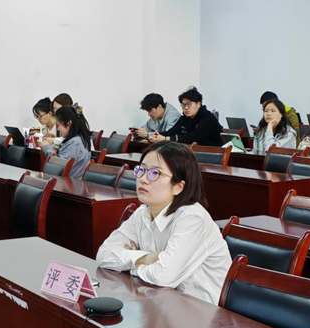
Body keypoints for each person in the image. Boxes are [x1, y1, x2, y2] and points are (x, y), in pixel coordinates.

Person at [96, 141, 231, 304]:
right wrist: (146, 258)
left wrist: (130, 265)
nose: (143, 179)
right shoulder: (142, 213)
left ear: (178, 187)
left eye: (155, 173)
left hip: (204, 311)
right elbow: (103, 255)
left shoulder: (193, 219)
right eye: (141, 170)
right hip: (162, 303)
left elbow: (163, 276)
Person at [151, 86, 223, 146]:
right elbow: (171, 132)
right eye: (183, 105)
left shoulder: (208, 118)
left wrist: (165, 139)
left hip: (214, 153)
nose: (185, 108)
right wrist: (156, 135)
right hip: (194, 151)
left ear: (198, 104)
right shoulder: (185, 118)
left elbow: (192, 137)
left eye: (189, 104)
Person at [39, 105, 91, 178]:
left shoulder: (75, 143)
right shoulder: (80, 138)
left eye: (58, 125)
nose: (58, 129)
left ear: (69, 123)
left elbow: (56, 168)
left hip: (68, 183)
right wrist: (58, 151)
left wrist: (46, 147)